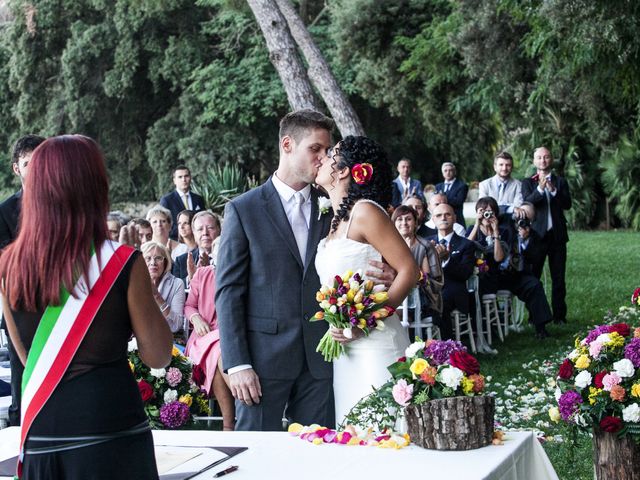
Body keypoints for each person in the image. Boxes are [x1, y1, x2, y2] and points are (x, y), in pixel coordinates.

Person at [0, 135, 172, 479]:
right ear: (93, 188)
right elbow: (159, 355)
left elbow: (26, 358)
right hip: (111, 431)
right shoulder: (122, 262)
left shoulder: (8, 265)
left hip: (42, 430)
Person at [216, 110, 397, 431]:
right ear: (287, 145)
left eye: (328, 151)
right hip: (262, 361)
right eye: (315, 149)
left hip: (326, 357)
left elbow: (365, 255)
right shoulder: (243, 209)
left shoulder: (336, 205)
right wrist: (237, 363)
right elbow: (228, 293)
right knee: (258, 455)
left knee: (321, 455)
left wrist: (386, 278)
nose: (323, 158)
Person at [314, 136, 418, 425]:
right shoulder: (336, 220)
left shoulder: (366, 211)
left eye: (330, 153)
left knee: (384, 429)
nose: (322, 157)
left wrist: (366, 322)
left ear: (345, 170)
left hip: (376, 344)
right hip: (346, 351)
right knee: (354, 430)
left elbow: (409, 269)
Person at [0, 134, 45, 428]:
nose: (35, 168)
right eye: (28, 163)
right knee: (22, 382)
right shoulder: (5, 211)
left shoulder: (65, 205)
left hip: (63, 307)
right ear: (17, 168)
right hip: (21, 308)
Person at [467, 196, 552, 339]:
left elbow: (500, 257)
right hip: (487, 275)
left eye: (491, 212)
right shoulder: (474, 229)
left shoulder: (504, 229)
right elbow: (466, 247)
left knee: (533, 285)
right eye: (484, 211)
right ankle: (490, 327)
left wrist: (496, 232)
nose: (488, 215)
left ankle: (540, 326)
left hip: (511, 273)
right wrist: (477, 223)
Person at [521, 147, 571, 324]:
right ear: (534, 161)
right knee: (533, 277)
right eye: (539, 157)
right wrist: (541, 190)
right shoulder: (527, 182)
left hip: (557, 236)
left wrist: (553, 190)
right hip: (536, 236)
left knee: (559, 278)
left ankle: (559, 316)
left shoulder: (560, 181)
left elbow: (567, 204)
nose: (543, 160)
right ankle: (534, 316)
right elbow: (527, 203)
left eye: (546, 157)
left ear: (551, 159)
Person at [184, 265, 235, 431]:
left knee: (217, 356)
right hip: (203, 336)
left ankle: (229, 426)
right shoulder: (203, 273)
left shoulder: (240, 270)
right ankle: (244, 409)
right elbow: (189, 305)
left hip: (229, 334)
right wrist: (196, 318)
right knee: (220, 349)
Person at [426, 203, 476, 340]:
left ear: (454, 218)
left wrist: (447, 259)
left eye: (447, 214)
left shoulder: (466, 244)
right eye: (438, 215)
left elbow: (465, 273)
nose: (443, 218)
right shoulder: (425, 243)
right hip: (429, 290)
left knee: (441, 300)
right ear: (433, 220)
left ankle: (446, 348)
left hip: (454, 292)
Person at [392, 205, 443, 317]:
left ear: (416, 223)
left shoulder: (425, 246)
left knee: (390, 315)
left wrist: (409, 253)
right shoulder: (389, 247)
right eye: (400, 219)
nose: (404, 223)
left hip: (422, 299)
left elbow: (433, 281)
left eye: (408, 219)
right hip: (395, 296)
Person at [140, 241, 185, 334]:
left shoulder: (177, 284)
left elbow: (176, 325)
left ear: (165, 262)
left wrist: (158, 297)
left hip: (167, 339)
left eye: (158, 258)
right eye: (148, 258)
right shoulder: (135, 282)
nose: (153, 263)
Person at [173, 211, 220, 285]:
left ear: (219, 230)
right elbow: (174, 291)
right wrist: (191, 278)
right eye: (200, 229)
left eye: (210, 228)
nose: (205, 233)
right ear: (194, 233)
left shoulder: (229, 258)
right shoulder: (181, 261)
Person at [159, 166, 205, 240]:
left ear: (190, 178)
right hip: (176, 242)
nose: (184, 179)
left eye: (186, 176)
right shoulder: (166, 200)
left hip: (197, 241)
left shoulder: (199, 199)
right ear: (174, 180)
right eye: (180, 177)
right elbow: (164, 226)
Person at [478, 151, 525, 218]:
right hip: (489, 223)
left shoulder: (519, 185)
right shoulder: (484, 185)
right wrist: (510, 208)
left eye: (508, 165)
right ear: (495, 167)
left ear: (512, 167)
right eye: (501, 165)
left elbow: (518, 207)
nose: (504, 168)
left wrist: (494, 206)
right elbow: (483, 207)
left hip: (510, 224)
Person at [435, 162, 469, 227]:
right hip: (440, 220)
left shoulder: (462, 186)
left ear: (454, 172)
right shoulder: (438, 186)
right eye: (445, 171)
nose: (448, 172)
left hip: (456, 220)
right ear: (443, 173)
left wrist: (442, 200)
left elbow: (459, 201)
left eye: (450, 170)